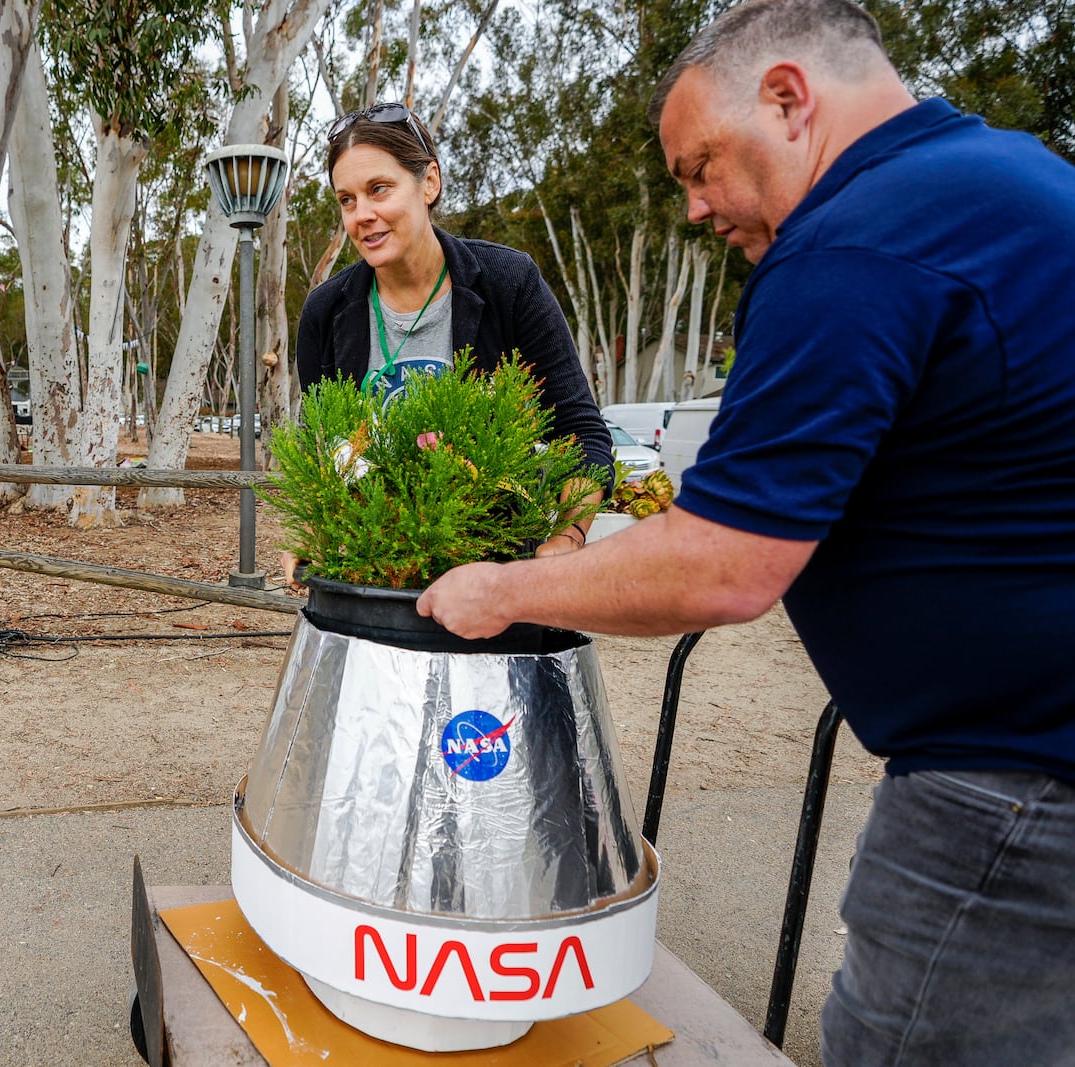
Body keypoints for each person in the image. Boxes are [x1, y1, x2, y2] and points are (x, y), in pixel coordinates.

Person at [417, 1, 1075, 1063]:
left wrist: (498, 587)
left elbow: (723, 563)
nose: (691, 206)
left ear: (786, 97)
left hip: (1015, 785)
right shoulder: (1011, 181)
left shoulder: (858, 238)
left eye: (700, 165)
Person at [294, 101, 612, 559]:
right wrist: (313, 534)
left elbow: (581, 433)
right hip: (373, 566)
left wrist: (567, 537)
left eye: (379, 189)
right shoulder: (327, 309)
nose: (360, 214)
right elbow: (318, 445)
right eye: (347, 199)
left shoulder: (509, 283)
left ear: (430, 182)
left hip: (495, 568)